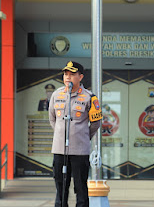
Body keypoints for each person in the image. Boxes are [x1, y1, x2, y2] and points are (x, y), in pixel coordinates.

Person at [49, 61, 102, 207]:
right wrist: (61, 134)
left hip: (79, 150)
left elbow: (96, 124)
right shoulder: (56, 94)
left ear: (81, 77)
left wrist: (82, 136)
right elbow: (52, 119)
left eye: (72, 74)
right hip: (59, 149)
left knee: (80, 187)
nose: (68, 77)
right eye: (66, 74)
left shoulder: (90, 97)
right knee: (60, 186)